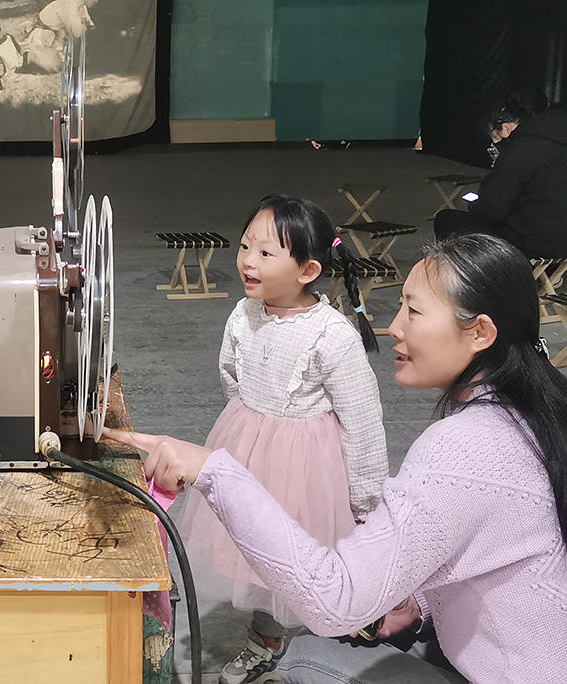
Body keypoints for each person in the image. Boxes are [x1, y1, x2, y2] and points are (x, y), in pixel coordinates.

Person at [105, 233, 567, 683]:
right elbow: (504, 552)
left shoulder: (464, 447)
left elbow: (335, 600)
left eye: (414, 311)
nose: (395, 326)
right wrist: (421, 603)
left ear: (480, 332)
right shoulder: (535, 411)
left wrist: (215, 470)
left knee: (307, 656)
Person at [175, 195, 388, 684]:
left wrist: (366, 502)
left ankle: (306, 634)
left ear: (308, 270)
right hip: (249, 449)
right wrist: (249, 427)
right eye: (245, 246)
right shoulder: (243, 313)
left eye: (266, 253)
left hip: (307, 471)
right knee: (255, 555)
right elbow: (231, 376)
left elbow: (363, 420)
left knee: (296, 560)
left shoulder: (332, 335)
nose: (248, 261)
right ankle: (266, 637)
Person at [433, 94, 567, 258]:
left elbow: (491, 211)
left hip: (534, 242)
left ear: (506, 128)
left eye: (496, 137)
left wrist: (477, 204)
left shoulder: (522, 149)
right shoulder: (554, 136)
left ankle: (484, 270)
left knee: (446, 220)